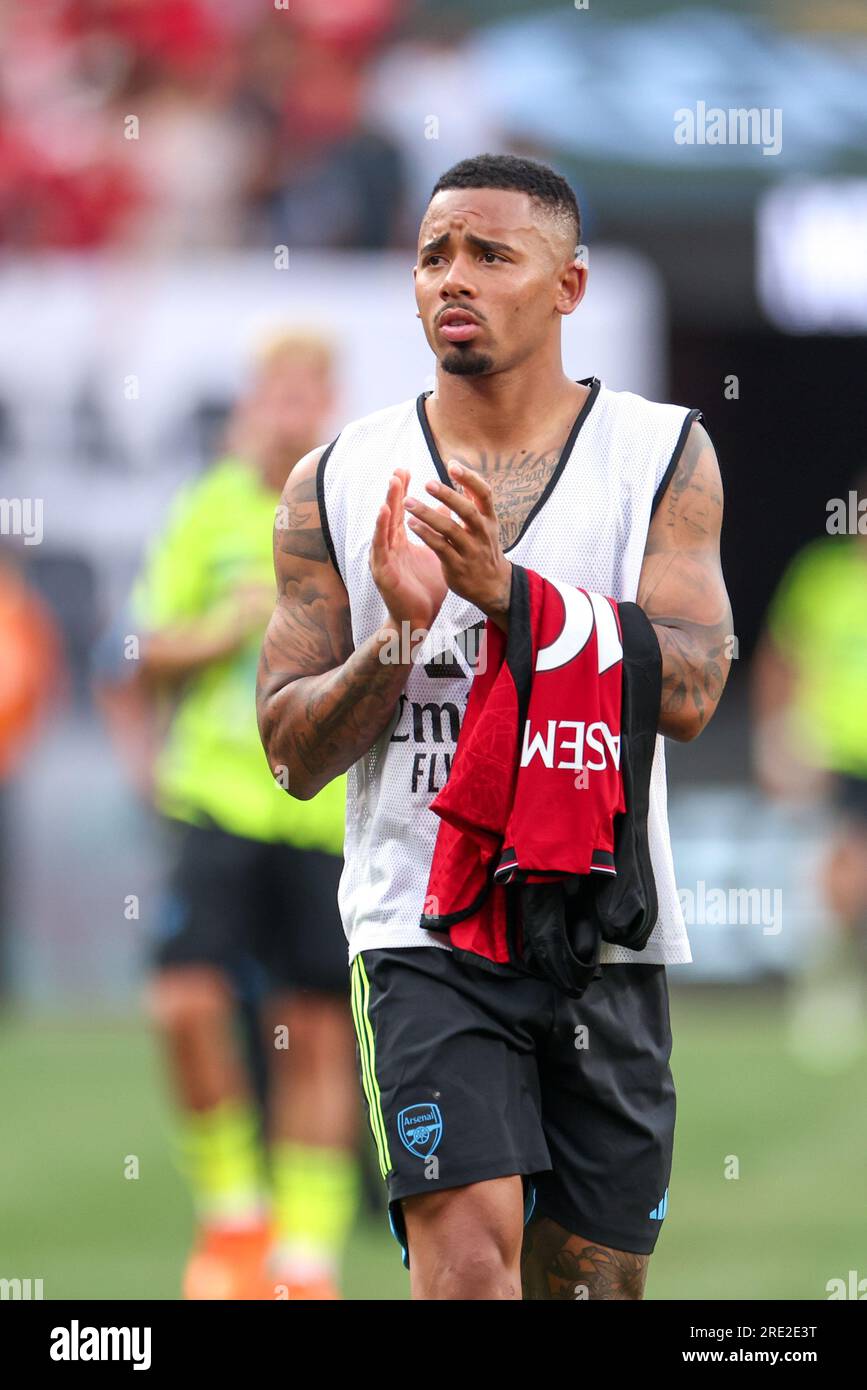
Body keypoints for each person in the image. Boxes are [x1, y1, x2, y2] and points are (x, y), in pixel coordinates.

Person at [256, 155, 733, 1300]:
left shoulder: (661, 453)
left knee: (594, 1289)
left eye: (489, 254)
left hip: (601, 926)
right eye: (433, 256)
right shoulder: (333, 479)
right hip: (425, 930)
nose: (452, 279)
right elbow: (288, 749)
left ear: (567, 286)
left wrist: (506, 596)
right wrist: (401, 640)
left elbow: (697, 689)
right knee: (468, 1271)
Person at [123, 330, 359, 1300]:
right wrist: (226, 627)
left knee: (315, 1027)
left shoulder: (354, 507)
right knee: (182, 1000)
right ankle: (233, 1216)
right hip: (218, 797)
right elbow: (143, 650)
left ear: (331, 400)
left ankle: (303, 1263)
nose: (294, 406)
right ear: (257, 401)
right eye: (280, 388)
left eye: (313, 389)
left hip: (323, 811)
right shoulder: (210, 508)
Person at [752, 477, 867, 1064]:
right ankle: (830, 986)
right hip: (843, 749)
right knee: (843, 871)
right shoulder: (823, 574)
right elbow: (782, 653)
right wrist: (777, 734)